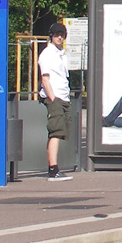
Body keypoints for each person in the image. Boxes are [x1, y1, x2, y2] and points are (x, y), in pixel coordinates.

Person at [38, 23, 73, 181]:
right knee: (56, 131)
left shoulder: (61, 53)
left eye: (62, 34)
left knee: (61, 131)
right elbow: (45, 78)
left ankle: (55, 168)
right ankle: (53, 169)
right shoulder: (47, 54)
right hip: (55, 96)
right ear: (51, 36)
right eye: (57, 34)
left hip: (63, 96)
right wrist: (52, 98)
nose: (60, 37)